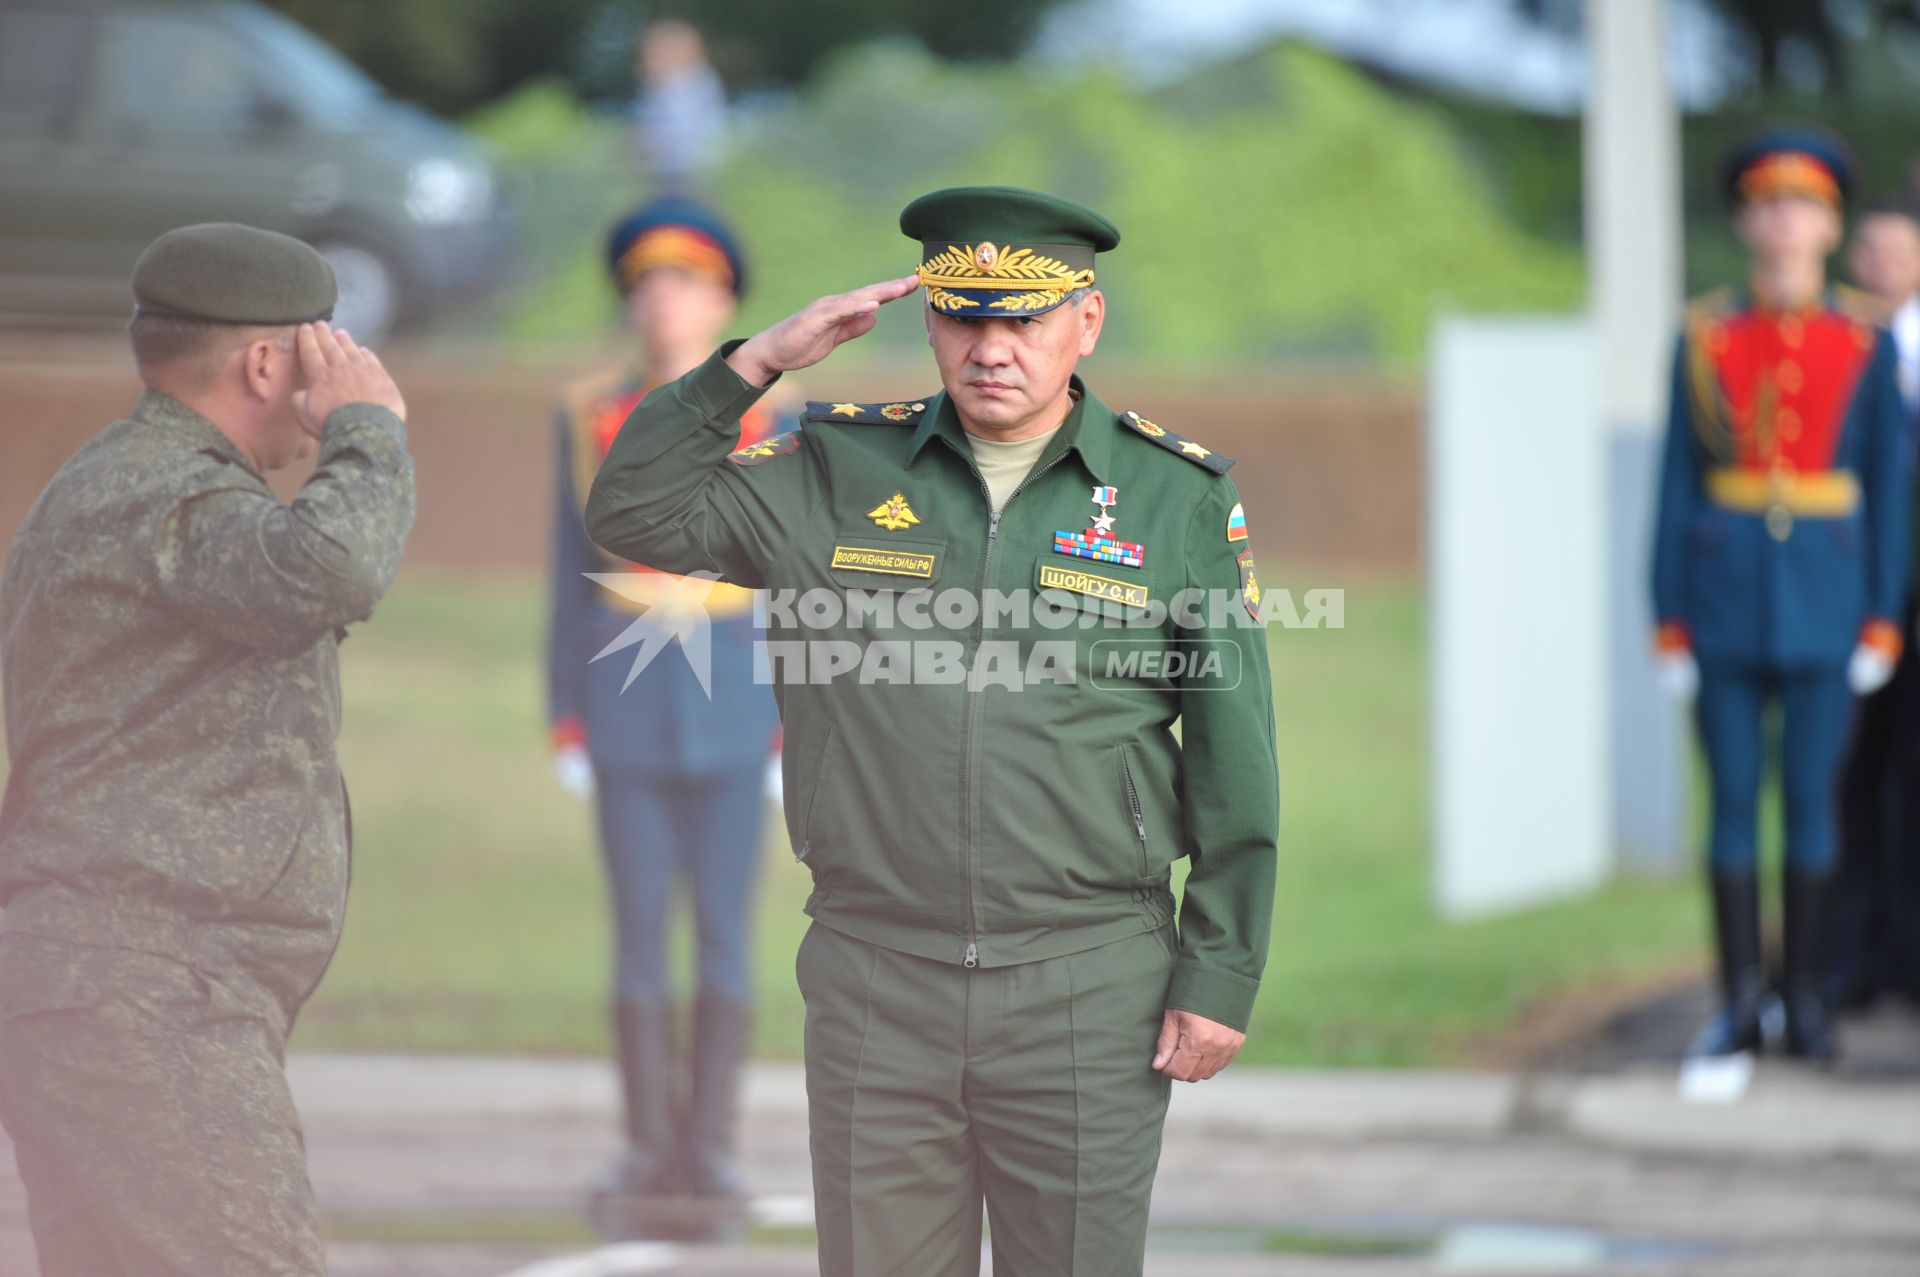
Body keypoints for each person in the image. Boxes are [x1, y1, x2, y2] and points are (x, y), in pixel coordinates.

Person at [584, 185, 1278, 1274]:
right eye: (965, 316)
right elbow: (631, 512)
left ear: (1085, 321)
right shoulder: (832, 469)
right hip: (877, 978)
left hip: (1088, 978)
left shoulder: (1170, 497)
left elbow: (1237, 754)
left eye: (1024, 318)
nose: (992, 346)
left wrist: (1220, 971)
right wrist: (755, 361)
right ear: (929, 320)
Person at [0, 223, 414, 1276]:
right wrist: (367, 427)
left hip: (121, 984)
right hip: (144, 992)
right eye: (330, 349)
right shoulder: (166, 492)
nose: (349, 370)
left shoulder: (131, 481)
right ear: (269, 362)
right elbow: (328, 569)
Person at [1651, 130, 1911, 1065]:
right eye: (1768, 204)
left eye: (1803, 205)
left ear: (1831, 223)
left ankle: (1806, 998)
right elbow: (1676, 484)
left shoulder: (1866, 340)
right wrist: (1667, 615)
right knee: (1728, 808)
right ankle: (1738, 1002)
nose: (1785, 221)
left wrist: (1882, 613)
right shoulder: (1704, 336)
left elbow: (1889, 489)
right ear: (1744, 220)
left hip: (1827, 599)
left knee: (1812, 804)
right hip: (1721, 602)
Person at [546, 197, 781, 1214]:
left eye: (684, 283)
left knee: (726, 936)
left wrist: (799, 718)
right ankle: (647, 1145)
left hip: (742, 698)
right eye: (646, 284)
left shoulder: (782, 419)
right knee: (638, 936)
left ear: (726, 298)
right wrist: (563, 714)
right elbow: (567, 573)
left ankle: (712, 1146)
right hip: (625, 699)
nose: (662, 301)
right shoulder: (590, 413)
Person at [1833, 200, 1920, 1011]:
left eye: (1901, 249)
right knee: (1853, 772)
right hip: (1858, 591)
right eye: (1874, 249)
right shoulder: (1844, 347)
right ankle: (1853, 953)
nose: (1886, 264)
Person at [631, 20, 728, 192]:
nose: (644, 59)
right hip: (682, 176)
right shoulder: (691, 83)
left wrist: (640, 147)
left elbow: (681, 138)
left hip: (686, 179)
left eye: (653, 53)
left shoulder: (681, 86)